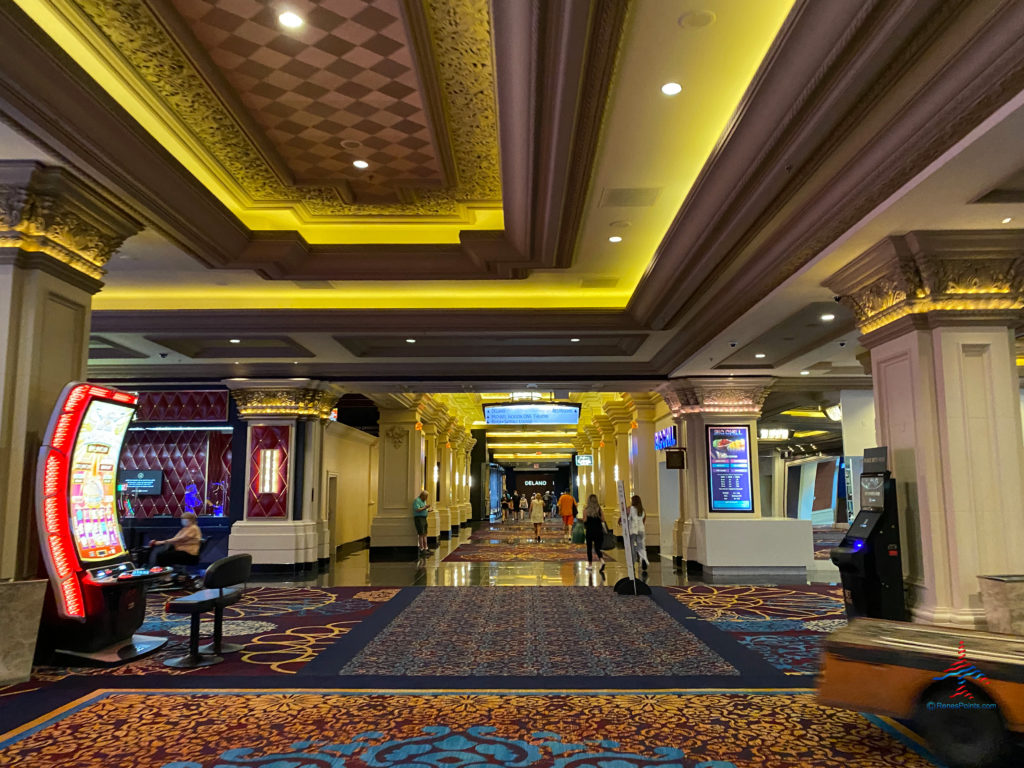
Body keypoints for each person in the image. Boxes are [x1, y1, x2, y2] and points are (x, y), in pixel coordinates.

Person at [581, 494, 607, 572]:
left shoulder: (586, 510)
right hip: (598, 531)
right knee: (597, 548)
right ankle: (602, 560)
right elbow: (603, 519)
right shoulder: (599, 509)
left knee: (589, 548)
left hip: (590, 531)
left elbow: (584, 520)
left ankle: (590, 565)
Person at [626, 494, 649, 572]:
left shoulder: (630, 509)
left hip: (633, 531)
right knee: (641, 547)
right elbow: (644, 520)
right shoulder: (642, 510)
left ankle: (632, 562)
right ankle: (643, 560)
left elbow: (626, 518)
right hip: (641, 530)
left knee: (632, 547)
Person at [413, 490, 431, 556]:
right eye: (426, 497)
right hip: (419, 518)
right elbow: (417, 509)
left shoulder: (424, 501)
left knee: (425, 533)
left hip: (424, 518)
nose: (426, 498)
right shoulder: (417, 501)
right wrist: (425, 507)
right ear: (423, 496)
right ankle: (421, 548)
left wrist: (428, 510)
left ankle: (426, 548)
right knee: (421, 533)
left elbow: (423, 509)